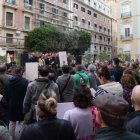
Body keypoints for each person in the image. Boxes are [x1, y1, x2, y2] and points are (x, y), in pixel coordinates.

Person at [4, 66, 28, 140]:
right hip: (22, 103)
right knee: (22, 122)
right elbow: (27, 94)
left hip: (12, 104)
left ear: (14, 72)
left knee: (12, 122)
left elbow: (6, 95)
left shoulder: (8, 82)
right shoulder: (25, 81)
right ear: (21, 72)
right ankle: (22, 136)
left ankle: (11, 137)